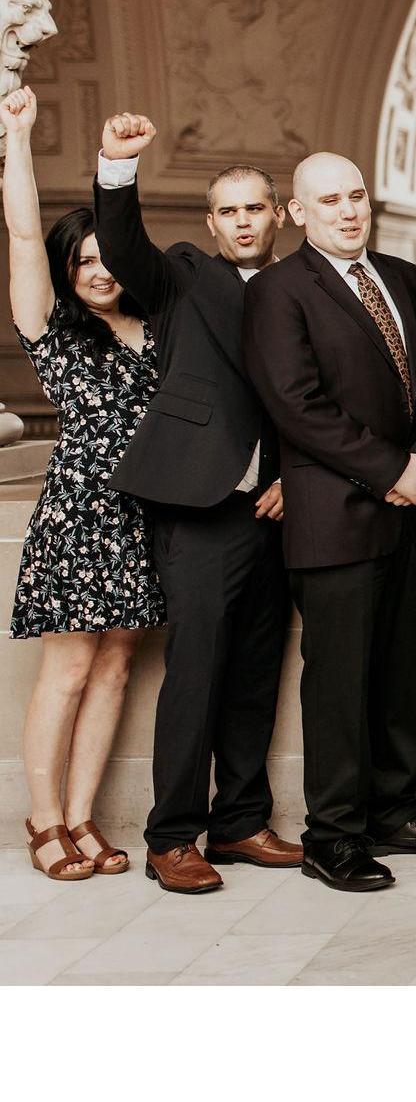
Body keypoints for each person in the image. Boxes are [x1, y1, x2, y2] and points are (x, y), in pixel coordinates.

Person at [94, 111, 299, 895]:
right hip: (200, 506)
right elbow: (123, 250)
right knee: (195, 672)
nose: (243, 222)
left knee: (254, 672)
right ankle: (172, 836)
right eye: (228, 211)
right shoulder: (183, 275)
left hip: (277, 511)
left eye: (255, 208)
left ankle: (241, 822)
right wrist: (117, 166)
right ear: (212, 224)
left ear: (278, 216)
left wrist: (297, 478)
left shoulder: (303, 288)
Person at [243, 151, 416, 892]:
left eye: (356, 195)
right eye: (329, 200)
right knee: (338, 684)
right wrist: (390, 469)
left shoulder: (403, 278)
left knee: (403, 671)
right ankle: (332, 836)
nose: (348, 210)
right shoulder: (277, 291)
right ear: (297, 213)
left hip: (412, 510)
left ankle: (394, 812)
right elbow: (296, 404)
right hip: (333, 518)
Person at [4, 86, 161, 881]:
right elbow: (23, 232)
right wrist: (19, 135)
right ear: (67, 271)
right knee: (67, 670)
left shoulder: (158, 326)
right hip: (78, 518)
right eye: (83, 261)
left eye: (108, 257)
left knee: (115, 668)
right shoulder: (53, 332)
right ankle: (42, 820)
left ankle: (81, 817)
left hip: (147, 518)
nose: (99, 272)